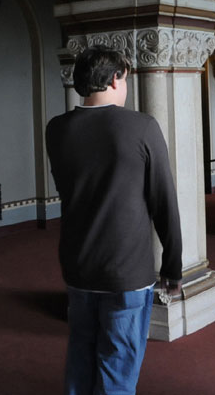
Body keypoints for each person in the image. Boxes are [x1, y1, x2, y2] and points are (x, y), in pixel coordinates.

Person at [45, 47, 183, 395]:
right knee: (117, 367)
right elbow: (163, 200)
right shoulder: (141, 126)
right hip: (126, 269)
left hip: (78, 263)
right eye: (125, 78)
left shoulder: (57, 129)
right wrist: (173, 265)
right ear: (115, 77)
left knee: (81, 357)